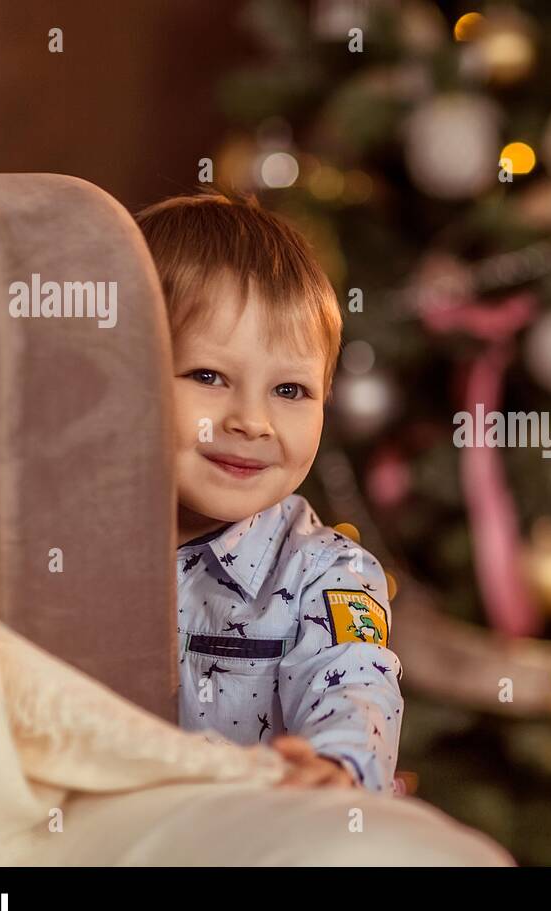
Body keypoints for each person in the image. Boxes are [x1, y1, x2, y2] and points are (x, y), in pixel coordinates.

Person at [136, 192, 400, 794]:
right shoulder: (59, 544)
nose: (252, 421)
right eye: (208, 376)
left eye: (290, 391)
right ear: (125, 371)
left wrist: (337, 765)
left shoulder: (330, 573)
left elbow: (356, 680)